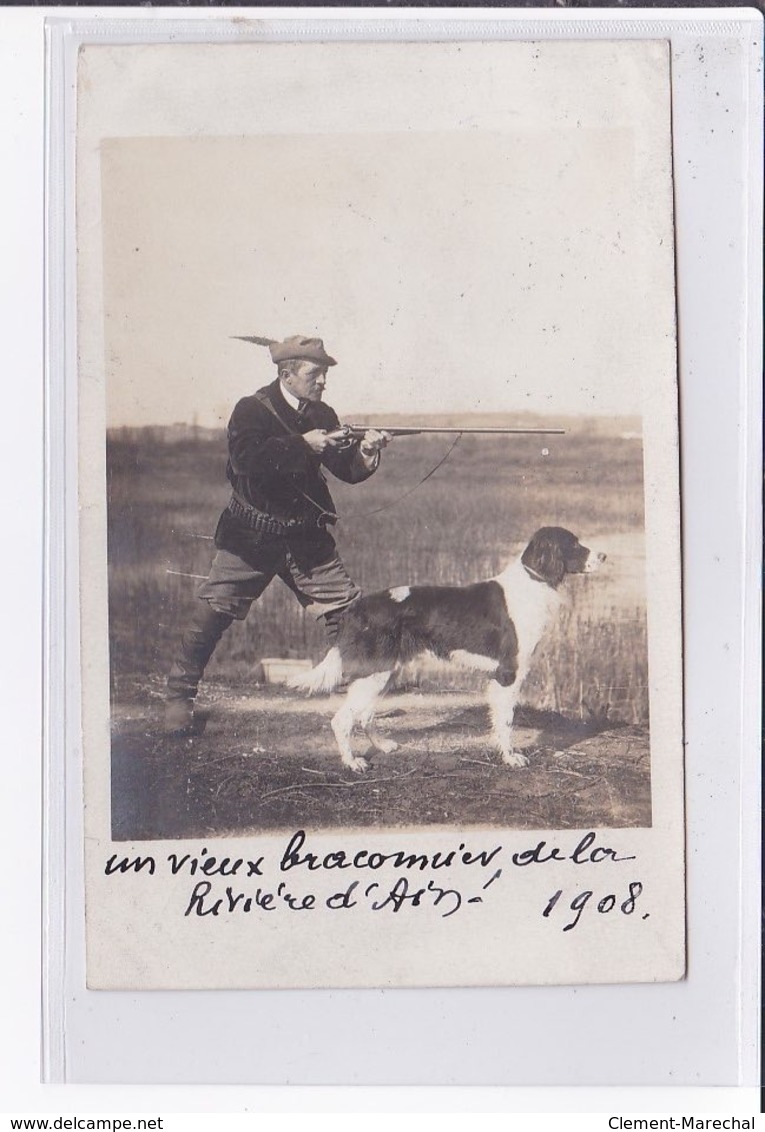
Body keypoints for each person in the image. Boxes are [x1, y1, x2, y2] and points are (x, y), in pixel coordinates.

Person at [165, 334, 390, 733]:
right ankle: (179, 698)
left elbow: (346, 470)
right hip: (251, 538)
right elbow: (247, 461)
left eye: (323, 375)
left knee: (351, 616)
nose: (322, 382)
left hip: (306, 541)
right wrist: (304, 444)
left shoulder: (324, 413)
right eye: (314, 374)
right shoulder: (251, 410)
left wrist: (367, 452)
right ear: (287, 374)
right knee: (214, 613)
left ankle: (359, 701)